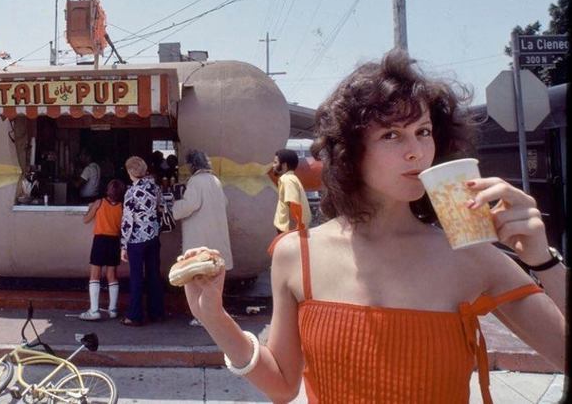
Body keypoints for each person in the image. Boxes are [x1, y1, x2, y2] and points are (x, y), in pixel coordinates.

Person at [180, 49, 565, 404]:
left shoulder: (472, 256)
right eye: (391, 134)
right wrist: (213, 316)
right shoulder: (297, 255)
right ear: (349, 150)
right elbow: (282, 384)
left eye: (424, 131)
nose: (415, 150)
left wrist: (544, 261)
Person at [171, 150, 234, 326]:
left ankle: (202, 315)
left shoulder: (196, 181)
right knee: (213, 275)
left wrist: (175, 206)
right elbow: (225, 202)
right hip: (215, 230)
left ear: (192, 165)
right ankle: (213, 312)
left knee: (199, 274)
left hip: (200, 233)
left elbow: (190, 205)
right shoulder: (215, 180)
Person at [120, 155, 165, 326]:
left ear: (130, 172)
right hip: (153, 236)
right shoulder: (155, 187)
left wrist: (123, 245)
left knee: (137, 278)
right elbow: (161, 207)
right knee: (154, 275)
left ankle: (135, 315)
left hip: (136, 240)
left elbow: (127, 222)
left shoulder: (131, 193)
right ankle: (157, 312)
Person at [79, 179, 126, 321]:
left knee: (95, 274)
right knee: (112, 275)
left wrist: (91, 208)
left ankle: (94, 310)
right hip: (114, 241)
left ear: (107, 191)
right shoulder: (122, 207)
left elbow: (86, 219)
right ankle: (112, 309)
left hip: (100, 240)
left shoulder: (99, 203)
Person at [271, 149, 312, 234]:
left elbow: (294, 204)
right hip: (289, 230)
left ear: (284, 165)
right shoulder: (291, 178)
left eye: (275, 162)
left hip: (288, 231)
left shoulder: (288, 180)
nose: (273, 165)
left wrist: (294, 232)